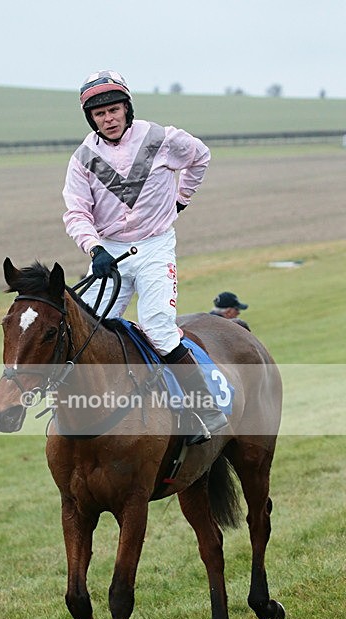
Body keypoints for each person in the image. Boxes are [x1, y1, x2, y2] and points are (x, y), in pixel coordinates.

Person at [62, 70, 227, 443]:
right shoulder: (82, 159)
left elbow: (200, 157)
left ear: (127, 108)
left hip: (154, 247)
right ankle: (87, 415)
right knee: (85, 332)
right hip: (110, 253)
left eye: (114, 110)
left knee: (157, 327)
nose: (109, 118)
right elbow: (76, 212)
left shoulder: (162, 138)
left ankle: (203, 410)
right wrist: (95, 247)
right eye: (100, 114)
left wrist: (181, 199)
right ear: (91, 118)